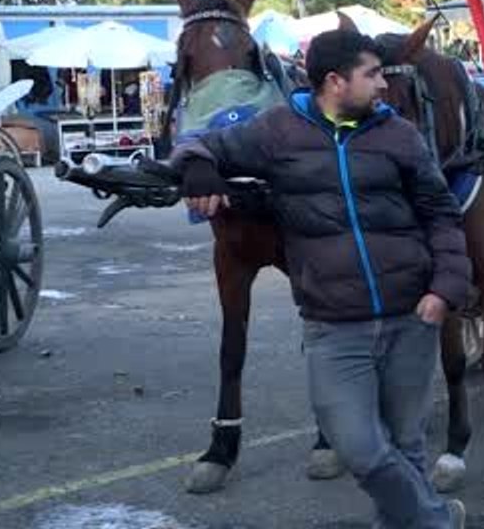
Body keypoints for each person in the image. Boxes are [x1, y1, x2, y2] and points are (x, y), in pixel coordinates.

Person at [174, 30, 469, 529]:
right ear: (335, 82)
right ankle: (436, 519)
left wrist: (446, 289)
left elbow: (442, 214)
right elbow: (196, 141)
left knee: (406, 446)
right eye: (372, 74)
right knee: (360, 448)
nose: (383, 86)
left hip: (411, 316)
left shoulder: (399, 135)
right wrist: (198, 167)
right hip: (335, 327)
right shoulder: (279, 131)